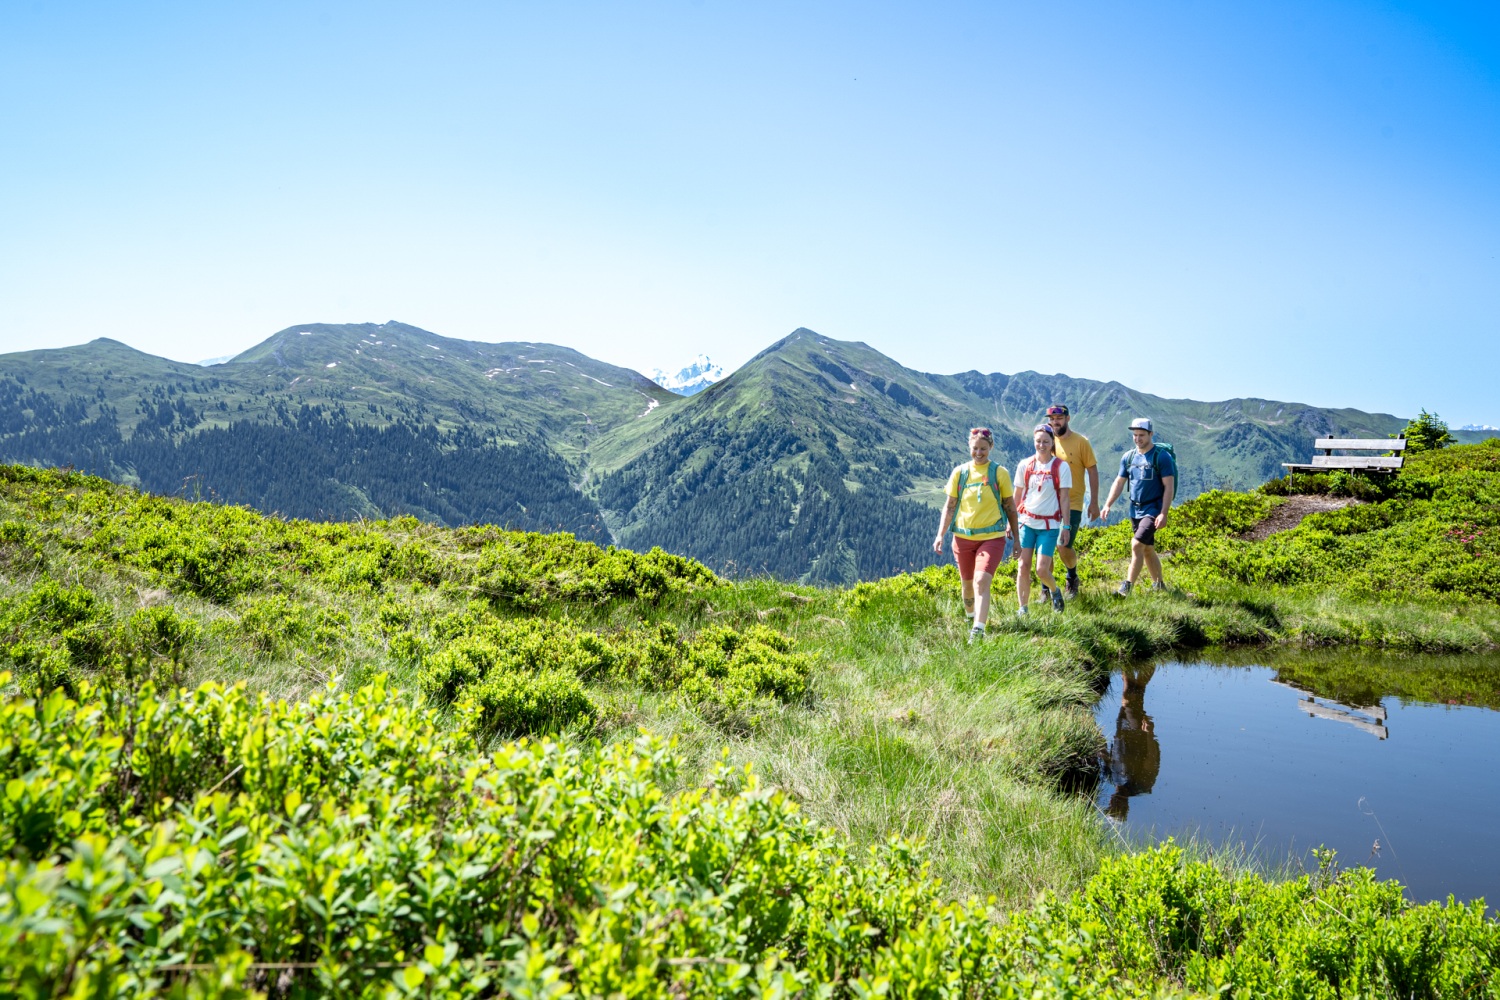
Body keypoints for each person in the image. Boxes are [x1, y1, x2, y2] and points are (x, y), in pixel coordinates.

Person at [933, 427, 1019, 642]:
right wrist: (940, 535)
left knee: (981, 580)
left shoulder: (999, 473)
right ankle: (971, 617)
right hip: (962, 538)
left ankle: (978, 630)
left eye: (983, 448)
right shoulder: (960, 473)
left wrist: (1017, 539)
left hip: (992, 537)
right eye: (975, 448)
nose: (979, 453)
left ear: (991, 447)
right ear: (969, 447)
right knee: (967, 585)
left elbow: (1010, 507)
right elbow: (950, 506)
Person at [1101, 417, 1176, 595]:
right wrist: (1107, 504)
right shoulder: (1128, 457)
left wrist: (1163, 513)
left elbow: (1169, 487)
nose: (1137, 438)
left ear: (1151, 434)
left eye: (1141, 435)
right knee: (1147, 549)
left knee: (1136, 545)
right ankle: (1159, 586)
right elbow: (1119, 482)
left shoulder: (1161, 457)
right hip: (1135, 510)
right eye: (1135, 435)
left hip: (1153, 508)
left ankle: (1126, 588)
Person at [1013, 423, 1072, 614]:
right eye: (1038, 441)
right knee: (1023, 566)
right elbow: (1017, 495)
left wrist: (1066, 526)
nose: (1041, 445)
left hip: (1049, 525)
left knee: (1041, 570)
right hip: (1026, 522)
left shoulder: (1061, 467)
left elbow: (1065, 498)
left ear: (1052, 442)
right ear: (1033, 441)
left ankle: (1054, 591)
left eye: (1046, 441)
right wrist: (1010, 521)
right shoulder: (1025, 465)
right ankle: (1023, 608)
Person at [1045, 404, 1099, 599]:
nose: (1055, 422)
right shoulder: (1048, 441)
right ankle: (1046, 588)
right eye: (1052, 419)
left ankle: (1072, 577)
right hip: (1048, 504)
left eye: (1059, 418)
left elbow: (1092, 470)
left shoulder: (1081, 442)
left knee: (1063, 545)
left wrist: (1094, 502)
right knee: (1045, 547)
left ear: (1067, 419)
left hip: (1073, 503)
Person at [1103, 664, 1160, 821]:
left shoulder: (1112, 780)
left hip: (1121, 732)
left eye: (1111, 805)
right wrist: (1149, 734)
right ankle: (1132, 660)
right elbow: (1151, 759)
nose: (1113, 802)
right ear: (1125, 807)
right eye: (1117, 807)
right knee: (1130, 698)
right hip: (1137, 734)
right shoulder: (1140, 785)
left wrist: (1101, 749)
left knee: (1134, 696)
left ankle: (1142, 660)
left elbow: (1107, 759)